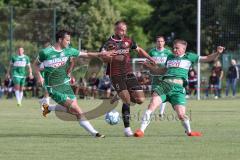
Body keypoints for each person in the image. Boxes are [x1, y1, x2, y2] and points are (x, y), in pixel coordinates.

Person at [134, 39, 225, 137]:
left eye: (177, 48)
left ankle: (189, 132)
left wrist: (217, 53)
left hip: (178, 89)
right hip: (164, 85)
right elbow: (161, 71)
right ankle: (141, 131)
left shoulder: (189, 56)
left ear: (183, 49)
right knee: (152, 105)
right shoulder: (170, 57)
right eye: (174, 47)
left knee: (181, 115)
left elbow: (207, 58)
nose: (174, 49)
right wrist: (150, 67)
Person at [34, 30, 111, 138]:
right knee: (77, 110)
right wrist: (39, 77)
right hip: (54, 88)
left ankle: (47, 108)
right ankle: (95, 133)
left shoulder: (68, 51)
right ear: (60, 40)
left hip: (65, 85)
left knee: (71, 110)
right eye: (67, 40)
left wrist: (100, 54)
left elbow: (87, 54)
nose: (69, 42)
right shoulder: (46, 52)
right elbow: (36, 65)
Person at [100, 20, 156, 137]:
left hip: (129, 73)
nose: (124, 32)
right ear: (116, 29)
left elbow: (139, 50)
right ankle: (127, 129)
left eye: (125, 30)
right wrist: (107, 55)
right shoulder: (108, 43)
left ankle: (119, 95)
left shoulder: (128, 40)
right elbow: (102, 55)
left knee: (140, 100)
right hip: (115, 75)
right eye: (121, 29)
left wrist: (150, 59)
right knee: (127, 101)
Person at [145, 36, 172, 117]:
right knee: (154, 94)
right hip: (155, 76)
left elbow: (172, 62)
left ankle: (161, 112)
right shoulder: (152, 52)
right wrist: (150, 65)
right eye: (158, 41)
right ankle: (151, 109)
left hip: (164, 75)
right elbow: (147, 62)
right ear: (156, 42)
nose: (160, 43)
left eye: (161, 41)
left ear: (164, 42)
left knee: (163, 93)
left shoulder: (168, 52)